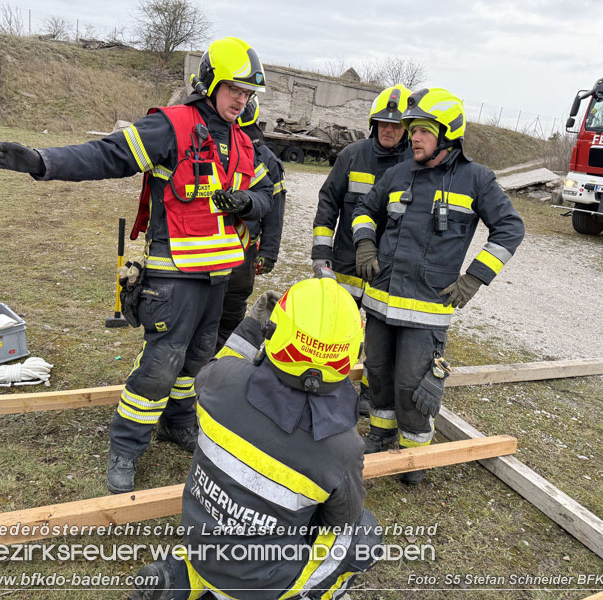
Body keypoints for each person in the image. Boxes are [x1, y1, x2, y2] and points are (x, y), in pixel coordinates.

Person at [0, 37, 274, 494]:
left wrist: (248, 203)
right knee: (160, 366)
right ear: (210, 83)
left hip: (217, 278)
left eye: (248, 93)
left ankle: (178, 423)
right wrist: (42, 161)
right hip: (174, 277)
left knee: (196, 361)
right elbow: (108, 155)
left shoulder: (242, 142)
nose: (241, 100)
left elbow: (265, 195)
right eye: (234, 89)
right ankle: (126, 446)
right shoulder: (172, 126)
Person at [131, 276, 382, 600]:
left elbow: (222, 363)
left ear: (276, 332)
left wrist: (252, 326)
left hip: (199, 541)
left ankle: (184, 576)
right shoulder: (342, 447)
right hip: (260, 584)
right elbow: (342, 518)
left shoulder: (221, 381)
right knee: (363, 534)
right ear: (351, 352)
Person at [351, 88, 525, 484]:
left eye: (424, 131)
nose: (414, 137)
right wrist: (364, 243)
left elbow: (510, 229)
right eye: (413, 130)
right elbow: (364, 209)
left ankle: (414, 454)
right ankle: (381, 435)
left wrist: (475, 277)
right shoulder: (398, 174)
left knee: (412, 387)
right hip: (379, 302)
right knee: (378, 374)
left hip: (426, 310)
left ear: (447, 135)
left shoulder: (476, 179)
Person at [311, 84, 413, 415]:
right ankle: (331, 384)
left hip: (389, 268)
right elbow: (328, 202)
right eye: (382, 123)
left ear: (407, 128)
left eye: (396, 125)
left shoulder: (415, 164)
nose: (388, 129)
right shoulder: (352, 155)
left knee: (382, 337)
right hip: (346, 262)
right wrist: (321, 254)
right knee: (337, 328)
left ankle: (372, 393)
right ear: (373, 123)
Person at [215, 98, 286, 350]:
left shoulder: (266, 159)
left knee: (231, 313)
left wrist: (268, 252)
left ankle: (223, 359)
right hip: (206, 246)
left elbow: (275, 209)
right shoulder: (211, 145)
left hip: (243, 250)